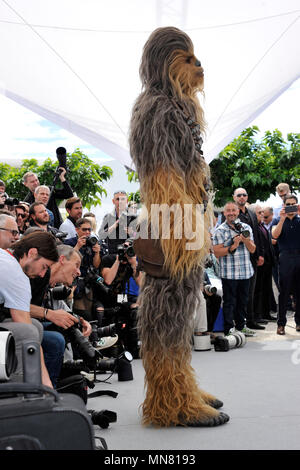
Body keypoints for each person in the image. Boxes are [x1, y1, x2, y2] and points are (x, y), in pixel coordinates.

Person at [0, 225, 59, 386]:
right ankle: (20, 394)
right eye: (44, 267)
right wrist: (48, 387)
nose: (42, 274)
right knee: (28, 331)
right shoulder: (15, 273)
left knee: (35, 326)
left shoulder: (5, 256)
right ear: (32, 253)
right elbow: (26, 331)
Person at [213, 201, 256, 337]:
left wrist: (246, 240)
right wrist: (234, 245)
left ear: (238, 212)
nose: (231, 213)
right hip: (229, 273)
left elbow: (253, 249)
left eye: (233, 210)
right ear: (224, 213)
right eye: (228, 211)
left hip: (245, 271)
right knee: (229, 302)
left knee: (243, 302)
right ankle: (228, 328)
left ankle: (241, 326)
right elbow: (217, 252)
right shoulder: (220, 230)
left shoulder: (246, 227)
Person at [100, 239, 142, 357]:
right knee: (129, 304)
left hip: (121, 296)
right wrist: (118, 260)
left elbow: (142, 284)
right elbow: (108, 280)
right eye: (125, 248)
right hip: (104, 295)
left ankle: (135, 346)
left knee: (135, 306)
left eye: (130, 248)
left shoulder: (131, 262)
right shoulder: (109, 259)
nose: (127, 251)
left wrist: (134, 265)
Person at [231, 188, 265, 331]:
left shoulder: (251, 213)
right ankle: (239, 322)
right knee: (238, 292)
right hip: (237, 259)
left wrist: (260, 254)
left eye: (244, 195)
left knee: (250, 290)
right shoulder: (230, 214)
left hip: (252, 257)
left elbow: (257, 235)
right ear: (234, 197)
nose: (242, 197)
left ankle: (250, 320)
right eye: (239, 195)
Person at [272, 194, 300, 335]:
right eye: (288, 204)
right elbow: (275, 235)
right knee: (283, 293)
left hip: (299, 256)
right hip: (285, 258)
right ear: (284, 205)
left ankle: (299, 322)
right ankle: (281, 324)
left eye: (293, 204)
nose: (291, 207)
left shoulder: (299, 220)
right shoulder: (277, 220)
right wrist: (282, 219)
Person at [251, 204, 276, 323]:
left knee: (266, 289)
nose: (262, 215)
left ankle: (266, 313)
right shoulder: (254, 227)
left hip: (268, 262)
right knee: (258, 290)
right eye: (259, 212)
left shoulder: (262, 226)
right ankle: (257, 315)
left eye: (262, 212)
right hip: (260, 263)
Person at [98, 190, 133, 254]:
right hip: (112, 255)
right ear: (113, 201)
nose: (120, 202)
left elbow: (140, 237)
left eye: (123, 199)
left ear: (127, 201)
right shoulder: (108, 217)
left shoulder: (133, 217)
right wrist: (114, 225)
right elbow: (101, 235)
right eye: (117, 199)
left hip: (130, 255)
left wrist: (132, 233)